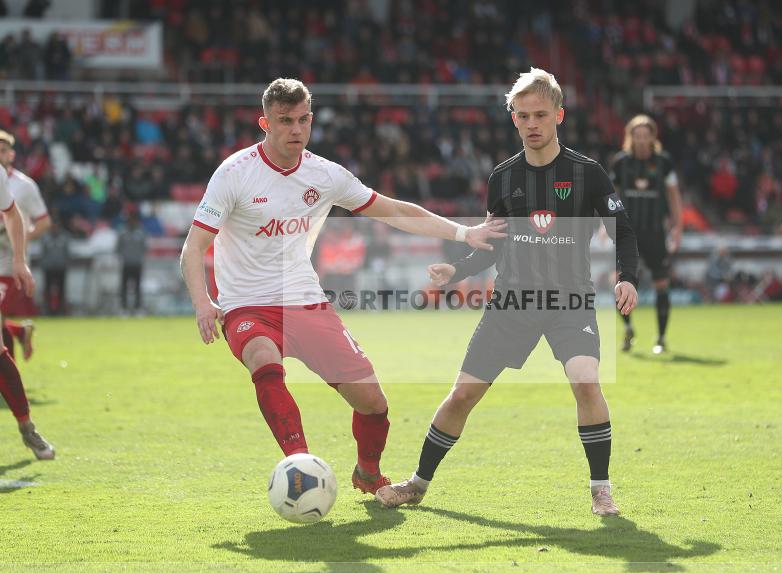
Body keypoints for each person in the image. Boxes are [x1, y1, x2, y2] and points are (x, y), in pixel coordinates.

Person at [180, 78, 505, 496]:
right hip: (247, 304)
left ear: (310, 120)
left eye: (302, 120)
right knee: (264, 362)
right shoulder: (234, 174)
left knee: (373, 404)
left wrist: (463, 234)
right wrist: (203, 301)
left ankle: (367, 473)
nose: (295, 130)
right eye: (284, 121)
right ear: (265, 123)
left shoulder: (325, 175)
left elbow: (393, 211)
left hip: (305, 301)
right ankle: (300, 468)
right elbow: (194, 246)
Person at [375, 68, 639, 516]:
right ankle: (417, 484)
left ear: (559, 114)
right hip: (511, 303)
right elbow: (490, 246)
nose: (532, 123)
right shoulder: (503, 178)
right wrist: (455, 271)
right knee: (462, 395)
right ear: (512, 119)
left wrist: (625, 275)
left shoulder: (588, 174)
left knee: (586, 381)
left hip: (568, 302)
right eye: (523, 115)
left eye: (540, 114)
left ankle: (601, 489)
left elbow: (625, 231)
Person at [608, 115, 683, 354]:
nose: (640, 140)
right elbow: (611, 196)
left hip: (655, 233)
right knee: (621, 283)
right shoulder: (621, 163)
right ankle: (628, 328)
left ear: (653, 137)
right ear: (630, 137)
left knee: (662, 283)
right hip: (628, 233)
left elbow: (673, 196)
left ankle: (661, 337)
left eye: (645, 135)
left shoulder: (664, 162)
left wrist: (677, 226)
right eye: (636, 135)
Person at [0, 166, 54, 459]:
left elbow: (12, 214)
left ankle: (26, 428)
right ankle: (19, 331)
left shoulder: (11, 181)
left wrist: (20, 260)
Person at [0, 130, 50, 360]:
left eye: (3, 150)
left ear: (11, 154)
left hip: (10, 261)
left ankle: (8, 381)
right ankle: (20, 331)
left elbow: (44, 221)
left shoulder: (25, 186)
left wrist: (19, 238)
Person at [117, 211, 147, 314]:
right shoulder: (123, 234)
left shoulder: (141, 233)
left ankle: (138, 308)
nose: (132, 222)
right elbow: (118, 248)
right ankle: (124, 308)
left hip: (137, 264)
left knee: (138, 287)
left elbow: (144, 248)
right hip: (126, 264)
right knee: (124, 287)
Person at [40, 218, 70, 315]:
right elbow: (42, 253)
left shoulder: (65, 237)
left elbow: (67, 253)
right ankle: (47, 310)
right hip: (48, 267)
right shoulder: (45, 238)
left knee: (62, 289)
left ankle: (61, 310)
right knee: (47, 289)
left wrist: (66, 264)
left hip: (61, 267)